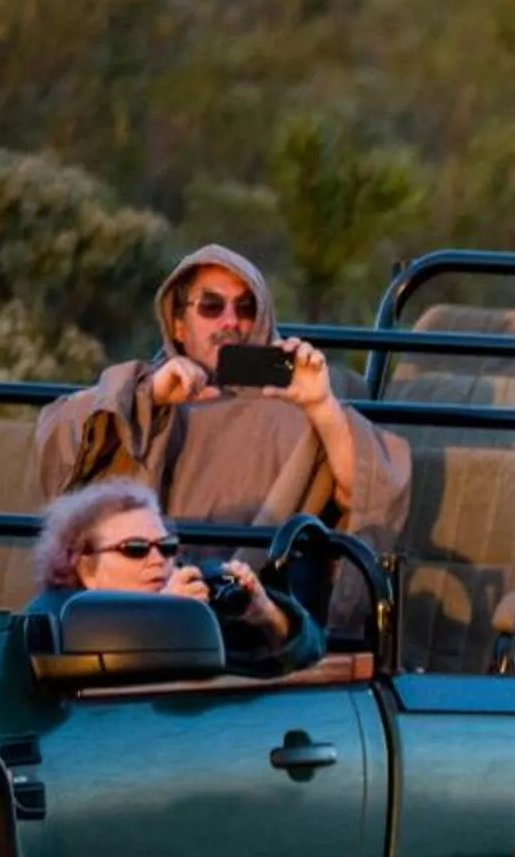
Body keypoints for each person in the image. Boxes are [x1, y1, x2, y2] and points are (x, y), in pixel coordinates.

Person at [33, 245, 411, 558]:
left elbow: (371, 491)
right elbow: (62, 446)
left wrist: (320, 407)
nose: (230, 321)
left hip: (250, 604)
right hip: (137, 601)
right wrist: (153, 397)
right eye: (211, 306)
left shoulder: (297, 404)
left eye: (246, 308)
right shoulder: (140, 391)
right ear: (179, 324)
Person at [29, 480, 323, 677]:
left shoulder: (196, 600)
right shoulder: (54, 617)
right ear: (85, 568)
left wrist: (268, 615)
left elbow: (311, 652)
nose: (158, 559)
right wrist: (162, 620)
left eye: (167, 546)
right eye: (135, 549)